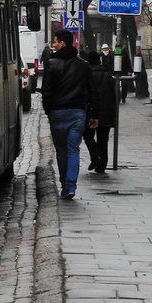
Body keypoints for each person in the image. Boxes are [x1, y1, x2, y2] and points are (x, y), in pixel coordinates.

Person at [42, 30, 93, 200]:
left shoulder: (52, 64)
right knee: (73, 150)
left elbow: (46, 91)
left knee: (61, 150)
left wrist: (48, 110)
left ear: (62, 43)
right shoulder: (84, 65)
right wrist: (95, 114)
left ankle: (65, 185)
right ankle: (70, 186)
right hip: (78, 112)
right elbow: (92, 92)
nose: (53, 44)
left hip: (58, 112)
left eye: (55, 42)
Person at [81, 50, 116, 174]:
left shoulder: (87, 74)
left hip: (91, 110)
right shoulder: (108, 74)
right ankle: (102, 166)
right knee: (103, 139)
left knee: (87, 135)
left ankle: (95, 156)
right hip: (107, 111)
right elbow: (115, 94)